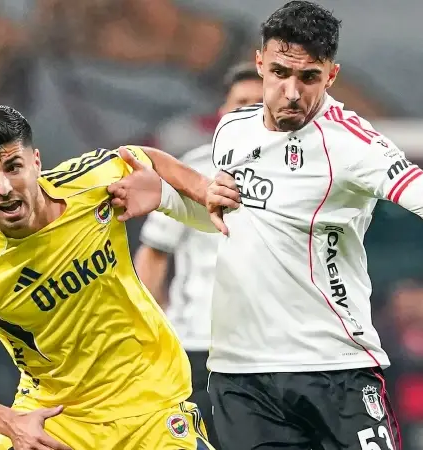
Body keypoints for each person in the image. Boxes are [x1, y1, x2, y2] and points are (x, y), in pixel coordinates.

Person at [107, 1, 423, 449]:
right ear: (260, 63)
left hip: (332, 367)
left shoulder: (353, 145)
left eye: (309, 77)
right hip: (241, 374)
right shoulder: (232, 133)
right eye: (280, 73)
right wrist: (165, 197)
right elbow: (238, 218)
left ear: (331, 75)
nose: (292, 91)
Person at [0, 104, 216, 450]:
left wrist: (204, 188)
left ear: (36, 162)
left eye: (14, 167)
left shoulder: (88, 182)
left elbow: (143, 156)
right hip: (58, 419)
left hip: (149, 402)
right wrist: (11, 422)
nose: (4, 187)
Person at [134, 62, 263, 448]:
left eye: (259, 105)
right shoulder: (193, 169)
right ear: (222, 113)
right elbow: (155, 252)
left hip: (268, 349)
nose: (248, 113)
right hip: (198, 343)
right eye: (240, 103)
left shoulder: (298, 173)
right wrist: (150, 328)